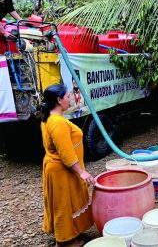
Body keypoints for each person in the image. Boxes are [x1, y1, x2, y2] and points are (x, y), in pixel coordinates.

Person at [40, 84, 94, 247]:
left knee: (67, 202)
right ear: (58, 100)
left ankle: (71, 233)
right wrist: (81, 173)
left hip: (58, 169)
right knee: (64, 205)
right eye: (67, 96)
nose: (70, 97)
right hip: (61, 171)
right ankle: (65, 241)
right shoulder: (58, 123)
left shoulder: (49, 117)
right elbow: (66, 153)